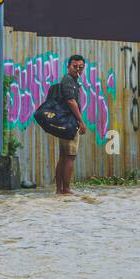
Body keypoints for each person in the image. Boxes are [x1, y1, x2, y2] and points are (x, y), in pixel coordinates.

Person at [54, 54, 88, 195]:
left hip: (66, 123)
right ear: (68, 66)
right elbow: (71, 101)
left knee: (63, 156)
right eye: (75, 66)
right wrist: (81, 121)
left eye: (81, 67)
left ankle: (60, 190)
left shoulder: (72, 80)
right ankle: (66, 189)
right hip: (69, 123)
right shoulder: (68, 80)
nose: (77, 69)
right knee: (70, 157)